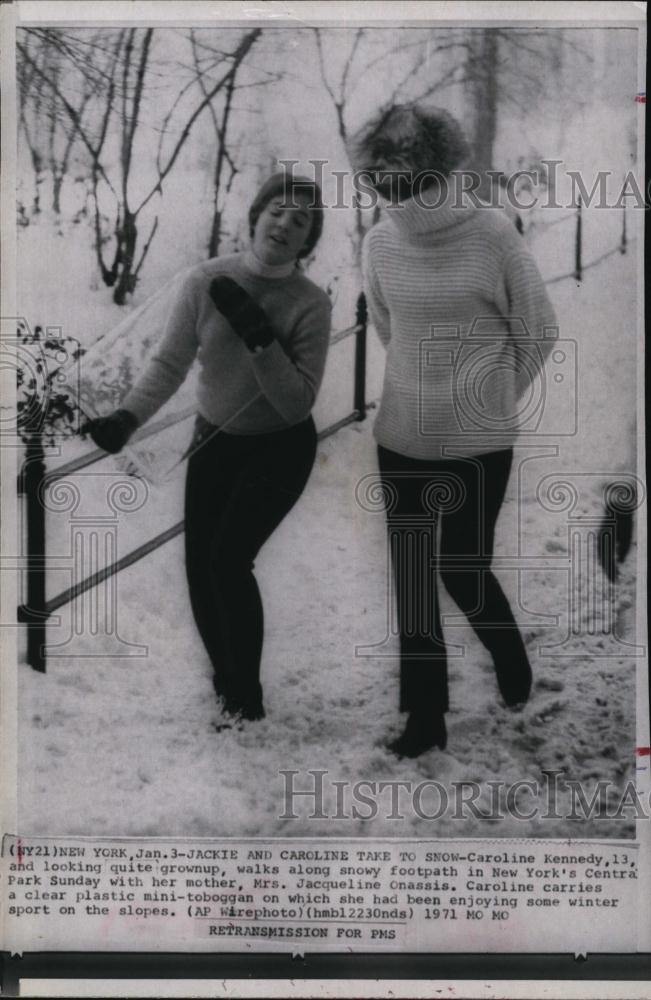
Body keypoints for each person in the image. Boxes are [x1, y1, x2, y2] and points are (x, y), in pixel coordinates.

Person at [348, 105, 558, 758]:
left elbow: (538, 329)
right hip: (401, 436)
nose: (391, 167)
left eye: (405, 152)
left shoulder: (492, 233)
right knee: (412, 578)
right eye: (380, 156)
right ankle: (424, 718)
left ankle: (509, 657)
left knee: (463, 571)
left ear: (436, 156)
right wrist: (418, 387)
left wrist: (488, 398)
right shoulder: (378, 241)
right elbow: (387, 328)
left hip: (478, 441)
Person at [84, 173, 332, 726]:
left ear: (308, 241)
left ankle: (247, 699)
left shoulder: (310, 304)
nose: (285, 224)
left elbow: (297, 402)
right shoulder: (205, 280)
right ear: (256, 215)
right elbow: (169, 363)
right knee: (200, 566)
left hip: (279, 448)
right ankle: (229, 683)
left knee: (227, 560)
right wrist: (126, 418)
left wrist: (259, 336)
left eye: (301, 221)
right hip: (217, 438)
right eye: (278, 210)